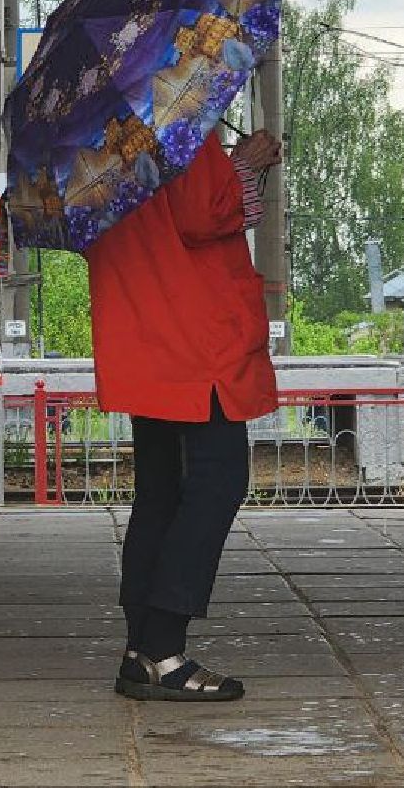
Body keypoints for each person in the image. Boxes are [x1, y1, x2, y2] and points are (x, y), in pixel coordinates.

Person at [87, 128, 282, 702]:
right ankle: (162, 647)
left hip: (143, 332)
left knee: (161, 493)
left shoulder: (103, 136)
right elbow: (204, 212)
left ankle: (138, 649)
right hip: (196, 340)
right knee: (217, 480)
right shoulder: (177, 123)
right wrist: (242, 164)